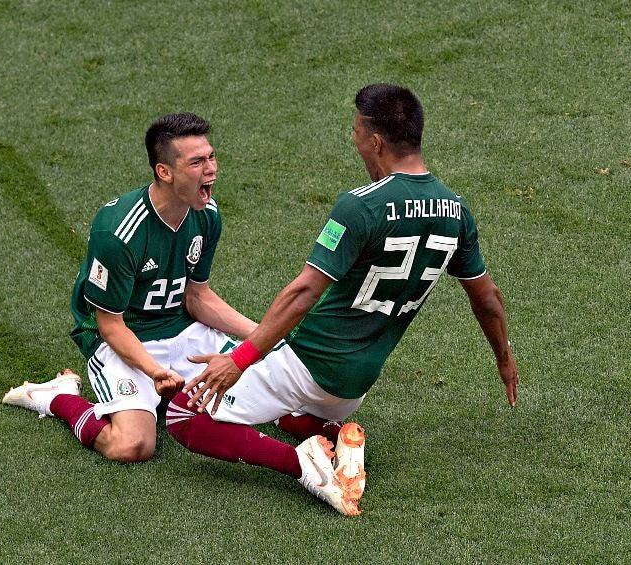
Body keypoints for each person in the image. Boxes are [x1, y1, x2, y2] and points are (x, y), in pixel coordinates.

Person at [164, 84, 519, 516]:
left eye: (355, 134)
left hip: (312, 364)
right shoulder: (457, 211)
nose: (355, 144)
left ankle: (301, 464)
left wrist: (238, 359)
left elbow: (303, 292)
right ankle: (333, 433)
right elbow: (487, 299)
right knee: (284, 411)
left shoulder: (360, 206)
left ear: (375, 141)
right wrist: (503, 358)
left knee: (184, 415)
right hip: (357, 384)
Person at [1, 112, 257, 463]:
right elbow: (109, 325)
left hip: (185, 332)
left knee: (277, 381)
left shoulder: (207, 214)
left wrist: (263, 338)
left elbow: (198, 296)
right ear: (164, 172)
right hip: (125, 340)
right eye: (197, 162)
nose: (211, 169)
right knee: (132, 446)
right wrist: (154, 370)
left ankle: (167, 395)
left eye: (211, 156)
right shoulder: (119, 231)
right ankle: (57, 397)